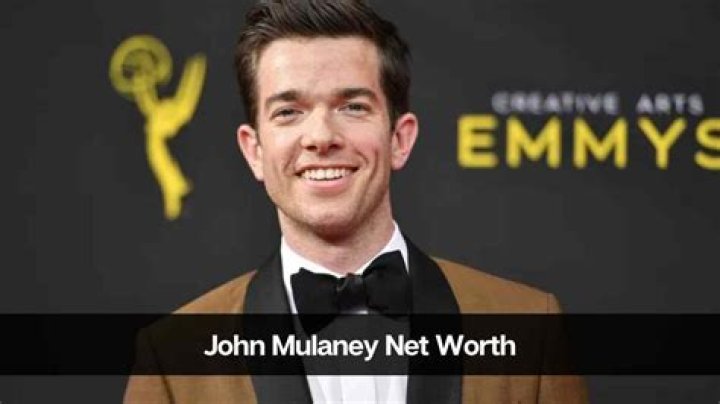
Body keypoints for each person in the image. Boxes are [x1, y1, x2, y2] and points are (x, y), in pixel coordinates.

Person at [124, 0, 588, 402]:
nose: (321, 136)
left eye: (352, 106)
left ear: (400, 139)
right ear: (254, 151)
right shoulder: (174, 360)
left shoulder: (530, 330)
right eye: (288, 112)